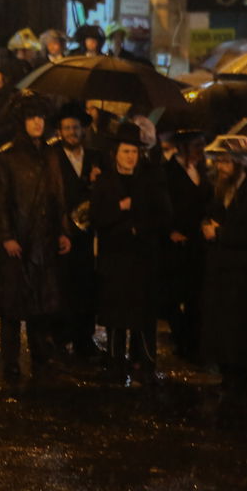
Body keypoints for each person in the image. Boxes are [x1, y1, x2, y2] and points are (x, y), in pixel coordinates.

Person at [0, 91, 67, 382]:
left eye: (41, 118)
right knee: (12, 309)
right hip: (18, 241)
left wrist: (62, 231)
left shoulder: (50, 154)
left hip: (43, 241)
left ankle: (40, 358)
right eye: (32, 118)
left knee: (40, 307)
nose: (37, 123)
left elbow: (57, 196)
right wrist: (6, 236)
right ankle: (10, 364)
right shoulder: (5, 156)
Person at [91, 121, 170, 386]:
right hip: (115, 258)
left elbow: (162, 214)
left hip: (142, 259)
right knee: (115, 317)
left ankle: (145, 363)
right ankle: (115, 362)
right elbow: (97, 217)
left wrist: (139, 224)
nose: (130, 157)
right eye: (126, 152)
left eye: (134, 152)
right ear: (116, 153)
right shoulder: (104, 181)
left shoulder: (148, 180)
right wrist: (121, 208)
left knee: (143, 315)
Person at [199, 135, 247, 409]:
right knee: (222, 326)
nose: (221, 166)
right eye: (219, 160)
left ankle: (239, 379)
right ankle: (227, 375)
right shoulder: (222, 189)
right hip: (222, 271)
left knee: (240, 330)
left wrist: (220, 232)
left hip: (245, 275)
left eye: (227, 161)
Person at [50, 102, 103, 359]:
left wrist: (96, 182)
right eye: (67, 128)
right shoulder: (51, 156)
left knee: (86, 285)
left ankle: (84, 337)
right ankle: (60, 337)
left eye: (76, 127)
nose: (72, 132)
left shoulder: (96, 157)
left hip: (88, 233)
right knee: (61, 286)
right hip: (61, 231)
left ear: (84, 130)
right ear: (59, 131)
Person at [160, 129, 211, 362]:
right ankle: (182, 338)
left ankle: (193, 343)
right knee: (171, 295)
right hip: (176, 243)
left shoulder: (201, 171)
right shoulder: (168, 172)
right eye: (196, 146)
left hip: (198, 242)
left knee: (195, 296)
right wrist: (169, 230)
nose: (201, 151)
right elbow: (161, 204)